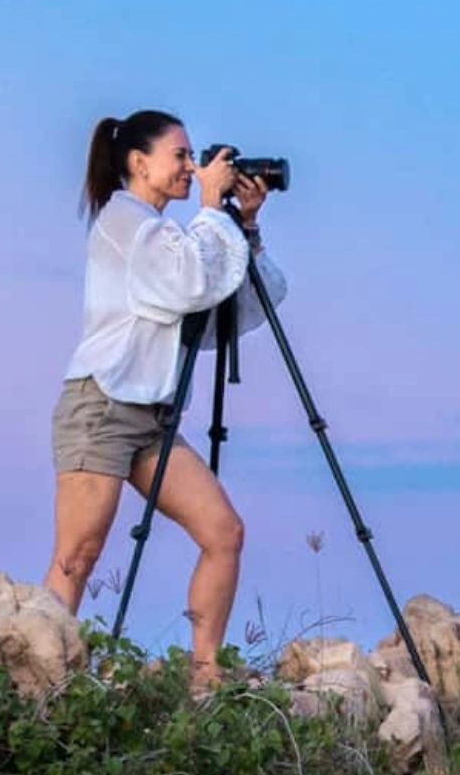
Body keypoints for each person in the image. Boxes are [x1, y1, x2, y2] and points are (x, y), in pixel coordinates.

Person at [46, 108, 287, 693]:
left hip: (152, 415)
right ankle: (40, 682)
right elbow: (188, 282)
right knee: (78, 554)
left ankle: (204, 675)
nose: (191, 166)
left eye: (192, 156)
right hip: (102, 405)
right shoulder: (124, 222)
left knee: (223, 532)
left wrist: (245, 227)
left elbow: (228, 309)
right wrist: (211, 209)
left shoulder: (166, 234)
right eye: (180, 156)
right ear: (138, 162)